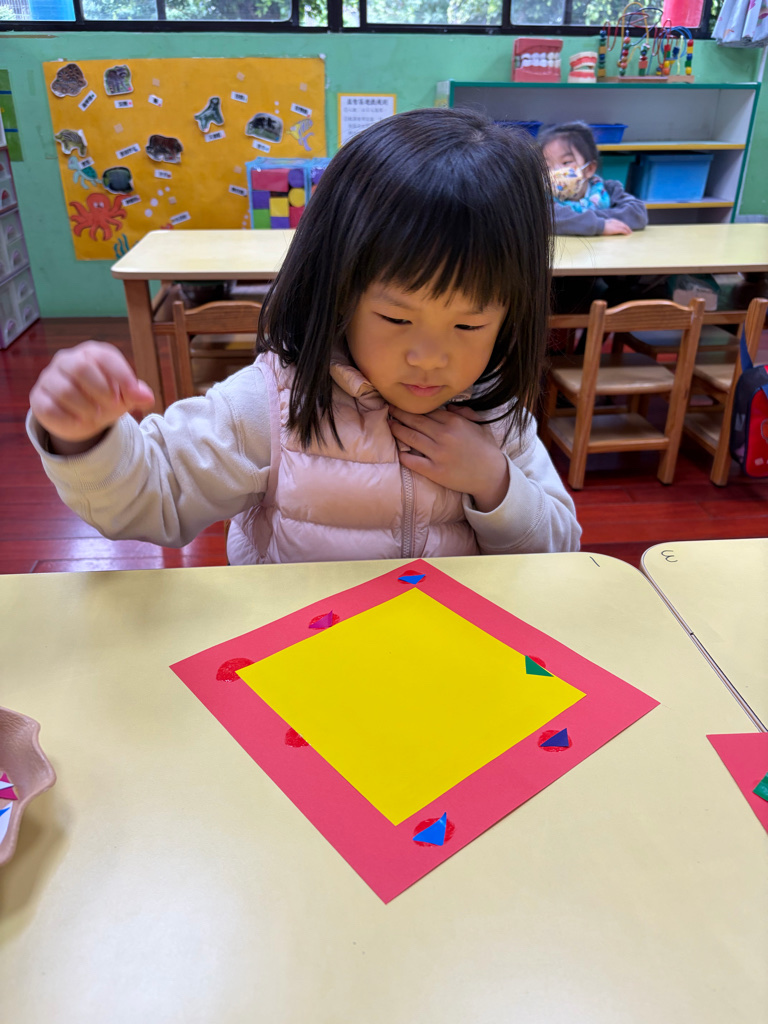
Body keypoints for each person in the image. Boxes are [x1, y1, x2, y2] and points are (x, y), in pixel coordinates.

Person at [27, 108, 581, 564]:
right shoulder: (273, 404)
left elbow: (561, 554)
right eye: (396, 319)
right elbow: (154, 496)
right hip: (298, 653)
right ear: (338, 293)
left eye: (469, 325)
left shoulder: (496, 417)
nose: (430, 358)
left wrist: (494, 482)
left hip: (441, 650)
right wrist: (86, 439)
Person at [538, 121, 647, 237]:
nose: (555, 171)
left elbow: (637, 213)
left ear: (589, 169)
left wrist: (585, 221)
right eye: (547, 167)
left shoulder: (609, 190)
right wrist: (600, 225)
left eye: (566, 162)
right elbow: (548, 219)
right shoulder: (540, 198)